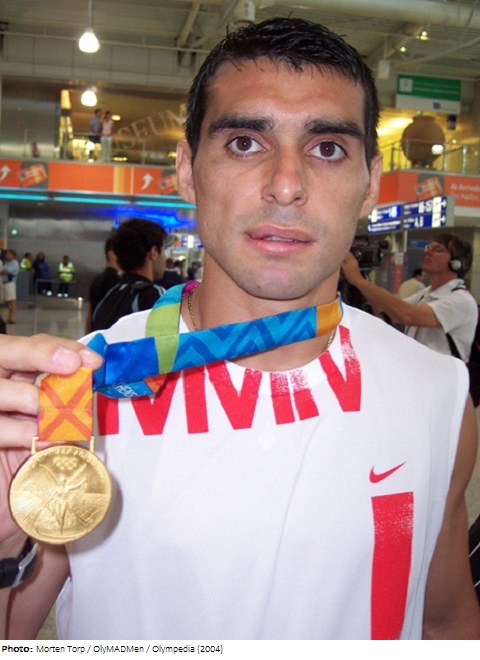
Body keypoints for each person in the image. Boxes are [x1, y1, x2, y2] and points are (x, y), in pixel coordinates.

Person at [0, 18, 479, 641]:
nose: (286, 186)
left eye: (327, 149)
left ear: (369, 185)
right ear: (187, 170)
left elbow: (445, 622)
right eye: (245, 143)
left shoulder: (436, 393)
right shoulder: (79, 389)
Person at [342, 232, 478, 361]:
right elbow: (391, 312)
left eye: (438, 249)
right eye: (428, 247)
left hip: (442, 375)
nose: (428, 252)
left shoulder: (461, 300)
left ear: (456, 263)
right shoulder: (427, 293)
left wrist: (359, 280)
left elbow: (407, 315)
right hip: (419, 371)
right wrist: (361, 283)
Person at [90, 218, 167, 331]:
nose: (165, 258)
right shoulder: (154, 294)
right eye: (164, 250)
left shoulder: (110, 296)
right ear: (154, 252)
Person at [85, 237, 121, 334]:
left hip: (95, 332)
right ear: (111, 254)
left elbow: (90, 312)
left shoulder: (98, 279)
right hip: (107, 334)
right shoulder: (116, 281)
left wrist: (87, 335)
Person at [0, 249, 19, 324]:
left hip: (10, 283)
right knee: (6, 301)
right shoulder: (7, 263)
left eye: (7, 254)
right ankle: (7, 316)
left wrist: (2, 272)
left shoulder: (15, 263)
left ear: (11, 255)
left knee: (12, 300)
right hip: (4, 283)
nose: (6, 256)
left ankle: (12, 318)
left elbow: (6, 272)